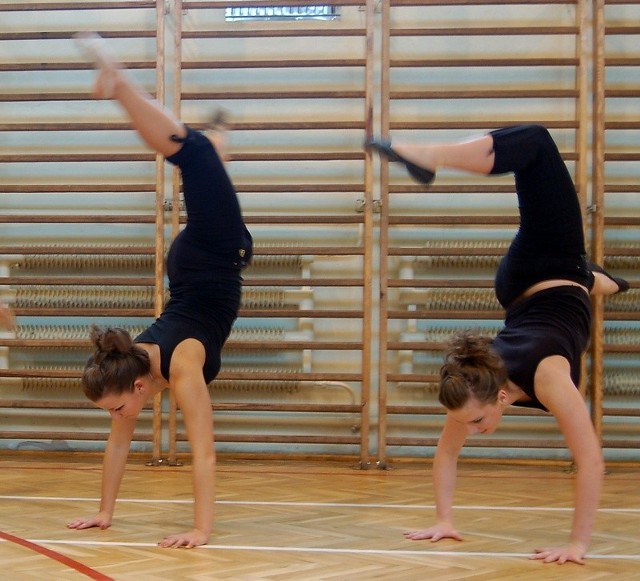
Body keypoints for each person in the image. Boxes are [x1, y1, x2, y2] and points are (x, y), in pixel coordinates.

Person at [366, 125, 629, 565]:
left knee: (538, 144)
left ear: (502, 396)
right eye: (471, 423)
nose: (472, 429)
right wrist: (444, 520)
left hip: (542, 264)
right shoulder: (475, 389)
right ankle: (601, 280)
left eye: (477, 421)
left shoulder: (544, 377)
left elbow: (590, 462)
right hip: (545, 285)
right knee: (603, 282)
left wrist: (577, 545)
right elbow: (446, 453)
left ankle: (430, 152)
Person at [67, 33, 252, 548]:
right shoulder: (132, 373)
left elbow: (205, 451)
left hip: (212, 255)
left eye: (116, 410)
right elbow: (119, 448)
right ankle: (218, 141)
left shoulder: (182, 363)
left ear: (140, 390)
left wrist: (200, 529)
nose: (116, 419)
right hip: (200, 263)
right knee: (207, 163)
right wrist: (104, 512)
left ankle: (121, 83)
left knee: (191, 155)